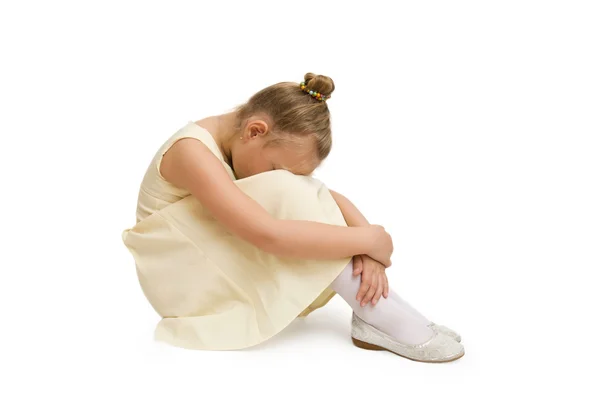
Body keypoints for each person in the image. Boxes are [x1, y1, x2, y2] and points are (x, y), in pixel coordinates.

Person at [122, 73, 464, 363]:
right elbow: (266, 234)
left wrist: (369, 243)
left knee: (296, 193)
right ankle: (380, 313)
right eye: (275, 167)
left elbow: (323, 195)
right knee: (287, 194)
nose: (280, 177)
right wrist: (367, 241)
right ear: (255, 131)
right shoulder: (191, 152)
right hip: (184, 279)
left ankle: (376, 309)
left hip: (217, 256)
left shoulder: (241, 141)